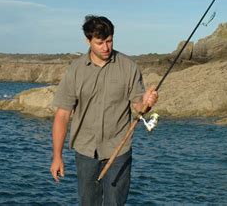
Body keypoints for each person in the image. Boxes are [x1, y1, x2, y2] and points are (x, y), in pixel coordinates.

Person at [50, 15, 158, 205]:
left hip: (119, 149)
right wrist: (57, 157)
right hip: (85, 152)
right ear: (88, 40)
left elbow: (138, 107)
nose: (106, 47)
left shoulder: (128, 67)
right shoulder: (75, 70)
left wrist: (147, 102)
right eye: (100, 43)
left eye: (109, 41)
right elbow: (62, 115)